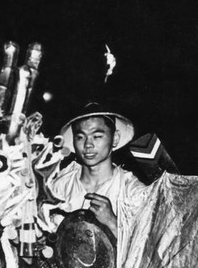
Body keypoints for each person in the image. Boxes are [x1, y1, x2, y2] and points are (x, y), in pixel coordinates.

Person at [49, 102, 147, 238]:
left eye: (97, 136)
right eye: (80, 137)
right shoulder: (59, 187)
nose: (88, 145)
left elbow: (147, 250)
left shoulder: (133, 192)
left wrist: (111, 221)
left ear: (115, 138)